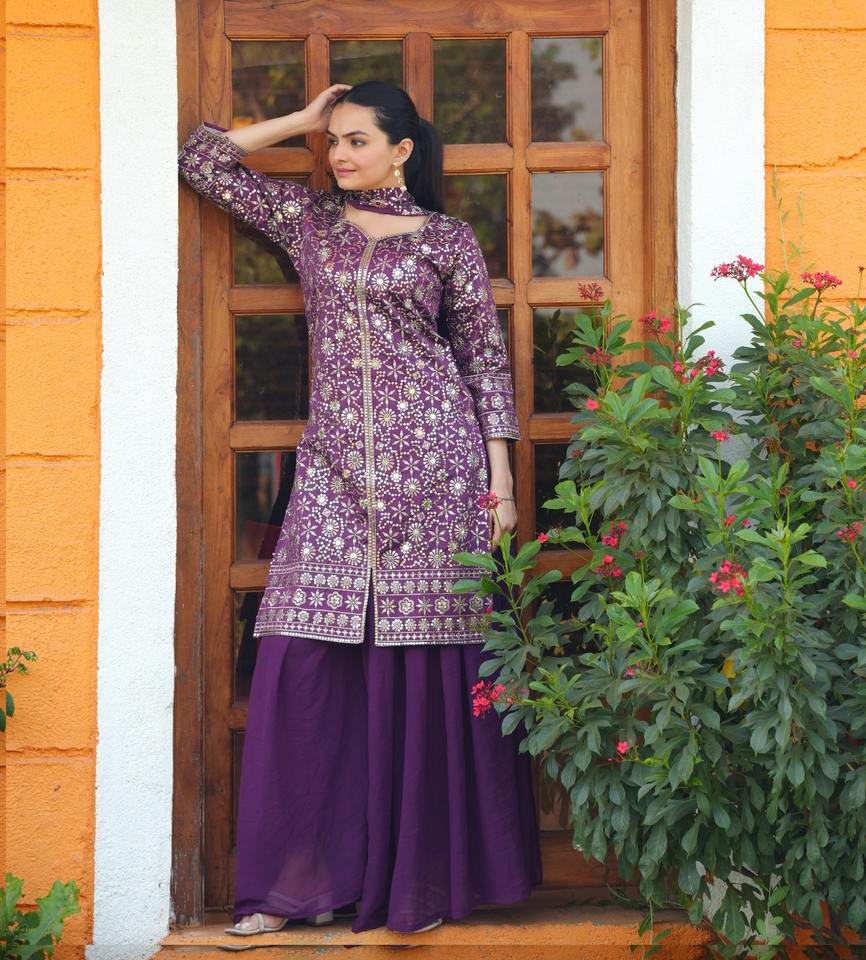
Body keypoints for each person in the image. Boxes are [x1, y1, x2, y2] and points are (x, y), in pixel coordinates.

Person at [177, 80, 543, 941]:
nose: (338, 155)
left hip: (439, 471)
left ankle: (420, 880)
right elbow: (201, 161)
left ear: (401, 150)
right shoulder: (311, 224)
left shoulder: (446, 240)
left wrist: (501, 484)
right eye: (333, 141)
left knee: (423, 675)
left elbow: (484, 362)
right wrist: (301, 120)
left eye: (355, 140)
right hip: (336, 475)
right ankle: (288, 889)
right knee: (303, 667)